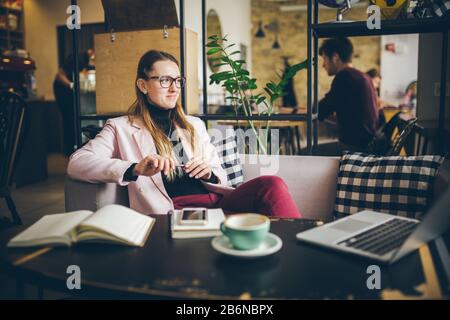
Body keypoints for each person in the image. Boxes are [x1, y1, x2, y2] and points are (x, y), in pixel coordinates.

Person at [67, 50, 302, 218]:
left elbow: (220, 175)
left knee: (272, 184)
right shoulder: (120, 127)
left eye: (178, 80)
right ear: (143, 85)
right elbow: (77, 163)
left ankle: (300, 255)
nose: (174, 88)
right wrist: (134, 168)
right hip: (176, 210)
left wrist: (209, 173)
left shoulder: (194, 124)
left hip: (216, 200)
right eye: (164, 80)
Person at [318, 38, 380, 153]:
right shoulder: (362, 76)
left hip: (356, 149)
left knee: (304, 152)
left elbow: (321, 110)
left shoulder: (344, 77)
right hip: (369, 143)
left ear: (335, 57)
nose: (323, 65)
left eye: (324, 59)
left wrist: (308, 110)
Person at [53, 49, 94, 156]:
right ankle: (69, 152)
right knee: (69, 120)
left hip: (70, 92)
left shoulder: (84, 60)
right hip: (63, 91)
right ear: (92, 52)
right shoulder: (78, 58)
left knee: (71, 121)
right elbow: (59, 75)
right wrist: (72, 86)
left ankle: (71, 152)